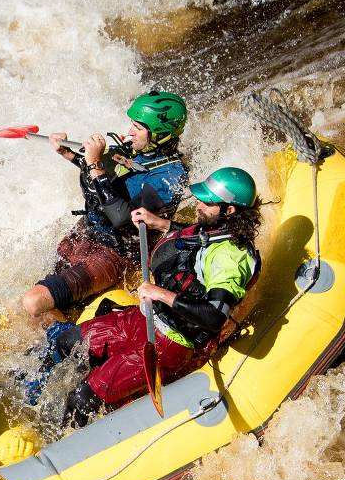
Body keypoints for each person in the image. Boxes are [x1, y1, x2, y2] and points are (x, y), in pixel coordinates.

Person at [35, 167, 263, 426]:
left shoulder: (231, 258)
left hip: (169, 343)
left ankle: (58, 442)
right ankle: (28, 393)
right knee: (66, 341)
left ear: (229, 210)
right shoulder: (217, 229)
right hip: (145, 318)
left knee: (82, 398)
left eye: (207, 201)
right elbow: (197, 239)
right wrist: (160, 223)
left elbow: (213, 317)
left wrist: (160, 293)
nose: (198, 203)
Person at [20, 91, 190, 329]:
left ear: (160, 135)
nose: (130, 131)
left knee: (34, 302)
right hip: (87, 233)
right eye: (132, 124)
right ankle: (63, 333)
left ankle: (72, 350)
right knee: (45, 294)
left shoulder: (170, 177)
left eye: (138, 127)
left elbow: (122, 216)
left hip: (114, 251)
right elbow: (104, 178)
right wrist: (71, 154)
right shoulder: (137, 150)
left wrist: (95, 164)